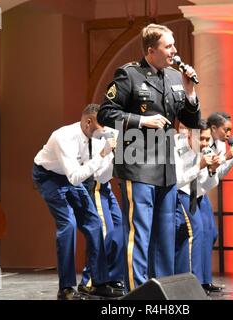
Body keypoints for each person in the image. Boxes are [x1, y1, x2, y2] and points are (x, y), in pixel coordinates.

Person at [97, 23, 201, 291]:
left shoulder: (175, 78)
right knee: (140, 233)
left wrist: (190, 92)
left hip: (166, 167)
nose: (174, 51)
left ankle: (161, 289)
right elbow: (105, 113)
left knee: (165, 235)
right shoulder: (129, 74)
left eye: (174, 45)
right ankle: (138, 292)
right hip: (138, 165)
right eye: (169, 46)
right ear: (151, 50)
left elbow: (191, 120)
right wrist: (142, 121)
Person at [32, 104, 123, 300]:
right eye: (102, 125)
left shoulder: (98, 136)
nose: (105, 130)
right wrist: (102, 154)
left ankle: (98, 283)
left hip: (73, 176)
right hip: (49, 176)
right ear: (88, 122)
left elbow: (100, 173)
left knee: (94, 223)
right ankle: (65, 288)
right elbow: (75, 177)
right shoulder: (63, 137)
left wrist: (110, 155)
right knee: (69, 225)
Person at [174, 120, 221, 289]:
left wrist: (212, 170)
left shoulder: (205, 150)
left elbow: (206, 185)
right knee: (195, 232)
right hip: (180, 194)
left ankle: (204, 280)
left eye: (207, 139)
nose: (205, 143)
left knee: (209, 232)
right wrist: (199, 166)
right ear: (190, 135)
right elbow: (178, 181)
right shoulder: (176, 149)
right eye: (201, 139)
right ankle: (193, 282)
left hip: (196, 194)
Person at [78, 126, 125, 295]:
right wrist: (113, 155)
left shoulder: (121, 131)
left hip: (106, 187)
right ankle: (89, 280)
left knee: (120, 230)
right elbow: (99, 173)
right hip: (96, 186)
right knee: (104, 232)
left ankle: (111, 277)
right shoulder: (100, 134)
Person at [200, 111, 233, 293]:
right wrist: (226, 157)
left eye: (230, 130)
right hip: (192, 192)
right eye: (226, 129)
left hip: (203, 193)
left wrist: (232, 159)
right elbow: (206, 172)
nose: (229, 134)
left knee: (211, 233)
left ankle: (206, 279)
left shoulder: (219, 145)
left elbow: (217, 175)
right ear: (214, 128)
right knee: (200, 235)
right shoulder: (203, 143)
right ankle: (198, 280)